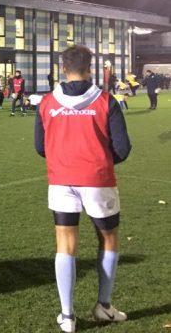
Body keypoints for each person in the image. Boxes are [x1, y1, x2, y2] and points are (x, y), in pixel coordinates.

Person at [35, 45, 131, 333]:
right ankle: (104, 306)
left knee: (65, 245)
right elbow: (123, 149)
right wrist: (99, 160)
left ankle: (67, 317)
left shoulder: (47, 102)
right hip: (98, 181)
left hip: (61, 180)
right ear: (90, 67)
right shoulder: (105, 100)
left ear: (63, 68)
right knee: (109, 239)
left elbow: (40, 148)